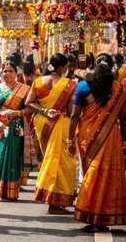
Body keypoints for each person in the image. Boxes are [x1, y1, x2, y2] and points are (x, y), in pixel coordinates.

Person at [68, 53, 126, 232]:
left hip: (88, 138)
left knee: (92, 175)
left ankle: (94, 218)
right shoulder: (120, 90)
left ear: (94, 67)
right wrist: (123, 144)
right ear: (112, 67)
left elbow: (74, 116)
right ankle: (104, 217)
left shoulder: (82, 87)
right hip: (111, 137)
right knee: (108, 176)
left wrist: (69, 140)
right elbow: (122, 120)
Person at [25, 53, 77, 214]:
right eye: (67, 67)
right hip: (61, 124)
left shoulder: (38, 81)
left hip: (42, 123)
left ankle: (51, 199)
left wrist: (44, 110)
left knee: (50, 158)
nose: (68, 70)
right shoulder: (69, 84)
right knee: (62, 163)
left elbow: (29, 103)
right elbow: (70, 110)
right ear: (61, 68)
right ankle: (55, 202)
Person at [0, 61, 32, 201]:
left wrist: (17, 113)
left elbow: (30, 108)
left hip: (15, 127)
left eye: (10, 71)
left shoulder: (24, 89)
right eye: (5, 71)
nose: (7, 74)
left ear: (16, 74)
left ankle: (11, 191)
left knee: (13, 157)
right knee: (0, 156)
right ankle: (0, 190)